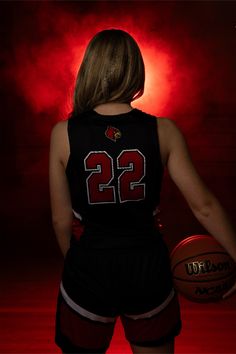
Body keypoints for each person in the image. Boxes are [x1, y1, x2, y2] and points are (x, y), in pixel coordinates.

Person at [49, 29, 236, 354]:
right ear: (136, 69)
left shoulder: (63, 133)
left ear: (90, 69)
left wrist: (79, 263)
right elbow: (203, 205)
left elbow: (60, 221)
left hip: (91, 266)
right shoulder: (164, 130)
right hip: (148, 266)